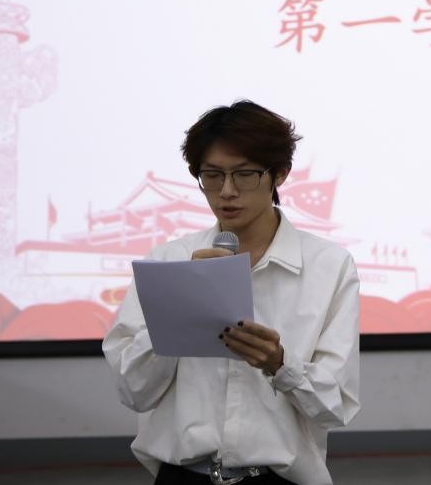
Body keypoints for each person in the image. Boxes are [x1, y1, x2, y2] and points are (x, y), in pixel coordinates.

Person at [103, 101, 361, 485]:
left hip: (278, 479)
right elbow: (133, 391)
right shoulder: (168, 261)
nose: (226, 191)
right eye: (212, 175)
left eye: (244, 174)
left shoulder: (329, 266)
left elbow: (335, 407)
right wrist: (179, 305)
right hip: (182, 477)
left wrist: (280, 364)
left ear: (280, 173)